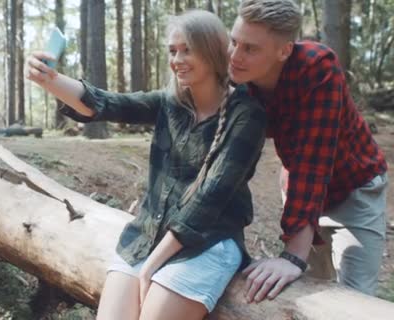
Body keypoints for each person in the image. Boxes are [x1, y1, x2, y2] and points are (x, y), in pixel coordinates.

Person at [27, 10, 266, 320]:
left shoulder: (246, 115)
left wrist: (152, 266)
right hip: (146, 238)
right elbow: (108, 103)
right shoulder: (170, 102)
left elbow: (209, 201)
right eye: (172, 51)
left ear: (211, 50)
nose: (177, 59)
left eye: (187, 49)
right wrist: (51, 80)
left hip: (207, 243)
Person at [228, 0, 388, 303]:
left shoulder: (317, 67)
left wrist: (293, 255)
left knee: (353, 301)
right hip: (301, 190)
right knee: (308, 292)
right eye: (233, 42)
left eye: (250, 48)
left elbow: (313, 161)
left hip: (355, 190)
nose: (235, 56)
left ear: (284, 50)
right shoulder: (242, 80)